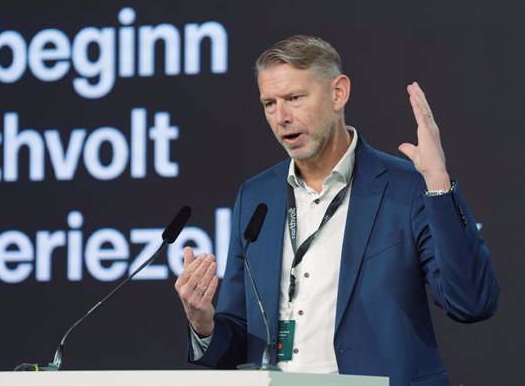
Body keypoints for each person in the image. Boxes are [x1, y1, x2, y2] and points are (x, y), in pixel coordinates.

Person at [174, 35, 499, 386]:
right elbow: (240, 341)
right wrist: (203, 324)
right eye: (269, 103)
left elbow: (472, 302)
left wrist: (437, 180)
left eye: (295, 98)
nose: (281, 117)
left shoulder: (406, 186)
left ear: (338, 93)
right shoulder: (256, 196)